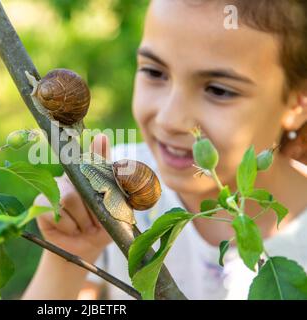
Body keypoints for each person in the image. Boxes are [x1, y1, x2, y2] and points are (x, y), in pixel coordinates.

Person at [22, 0, 307, 300]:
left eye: (219, 90)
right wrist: (68, 258)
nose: (170, 119)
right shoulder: (113, 185)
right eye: (155, 72)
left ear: (298, 103)